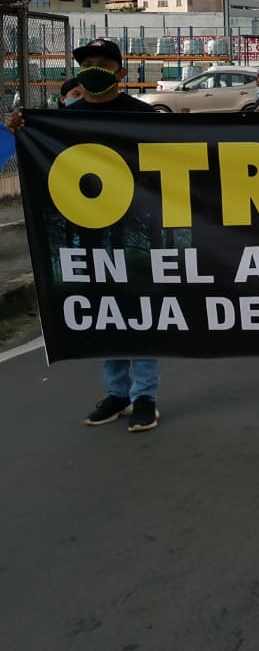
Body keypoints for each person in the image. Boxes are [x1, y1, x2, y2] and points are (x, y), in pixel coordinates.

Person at [6, 38, 162, 432]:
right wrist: (20, 128)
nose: (94, 69)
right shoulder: (62, 119)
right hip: (85, 231)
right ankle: (117, 394)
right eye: (87, 63)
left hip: (135, 231)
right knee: (104, 312)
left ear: (120, 73)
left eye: (103, 63)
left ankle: (145, 396)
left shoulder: (143, 116)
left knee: (140, 311)